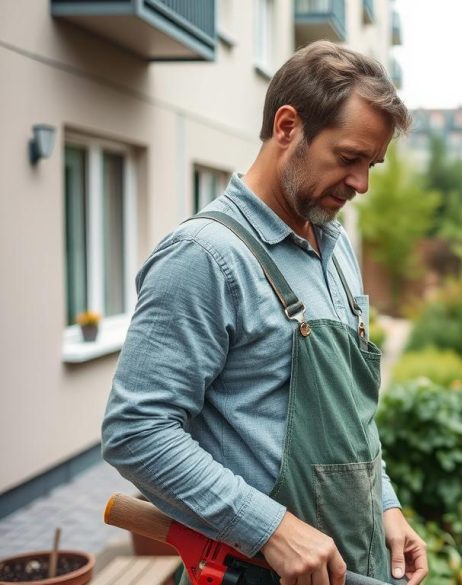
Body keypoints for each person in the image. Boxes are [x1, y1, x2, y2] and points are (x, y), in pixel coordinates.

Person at [102, 41, 427, 585]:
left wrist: (386, 505)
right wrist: (270, 528)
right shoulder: (205, 257)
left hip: (354, 564)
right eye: (348, 158)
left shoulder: (337, 247)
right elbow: (136, 430)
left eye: (371, 165)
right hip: (250, 572)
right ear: (286, 126)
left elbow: (348, 411)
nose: (361, 184)